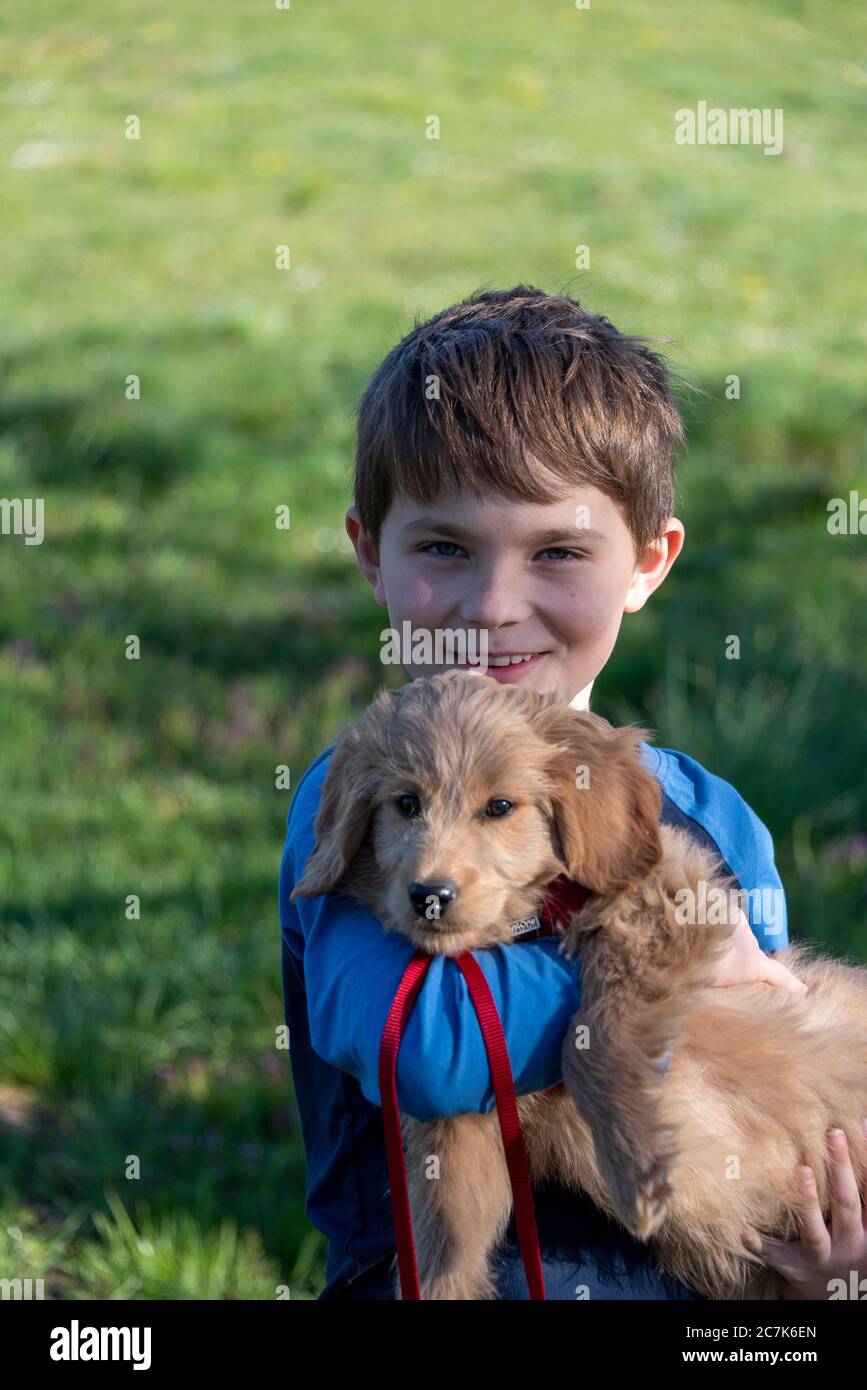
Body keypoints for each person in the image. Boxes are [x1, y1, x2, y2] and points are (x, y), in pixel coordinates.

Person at [279, 285, 863, 1301]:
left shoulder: (716, 817)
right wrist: (672, 954)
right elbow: (428, 1047)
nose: (494, 605)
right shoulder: (369, 793)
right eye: (444, 547)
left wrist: (827, 1271)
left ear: (646, 561)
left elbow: (771, 1065)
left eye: (557, 551)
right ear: (371, 552)